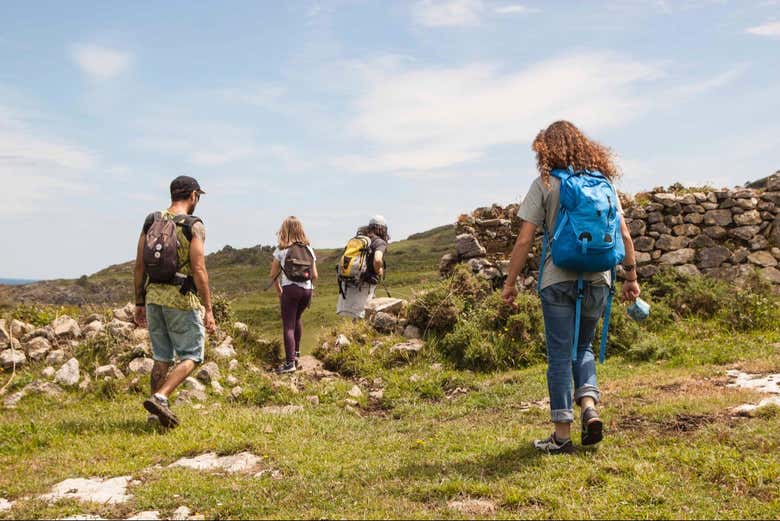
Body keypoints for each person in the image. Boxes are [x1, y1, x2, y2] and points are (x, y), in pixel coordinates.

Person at [502, 121, 641, 454]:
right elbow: (624, 235)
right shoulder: (603, 184)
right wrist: (632, 278)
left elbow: (524, 240)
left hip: (557, 278)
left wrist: (509, 284)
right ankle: (589, 407)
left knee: (560, 357)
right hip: (598, 279)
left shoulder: (546, 183)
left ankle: (561, 435)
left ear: (546, 150)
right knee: (585, 348)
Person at [133, 175, 217, 429]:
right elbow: (199, 268)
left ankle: (154, 415)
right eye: (197, 197)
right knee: (193, 355)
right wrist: (209, 308)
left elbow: (138, 266)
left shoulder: (152, 220)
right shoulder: (194, 225)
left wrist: (139, 302)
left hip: (153, 297)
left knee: (161, 357)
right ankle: (160, 397)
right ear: (193, 196)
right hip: (181, 299)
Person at [269, 217, 318, 374]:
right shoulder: (309, 249)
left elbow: (273, 275)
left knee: (288, 325)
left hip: (290, 290)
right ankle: (296, 354)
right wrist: (311, 289)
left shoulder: (281, 250)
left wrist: (279, 292)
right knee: (297, 319)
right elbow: (315, 275)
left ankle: (289, 363)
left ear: (284, 230)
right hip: (307, 290)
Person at [336, 216, 389, 319]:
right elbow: (378, 259)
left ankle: (354, 332)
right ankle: (361, 333)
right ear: (383, 229)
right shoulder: (379, 242)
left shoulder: (361, 240)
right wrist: (379, 270)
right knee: (364, 315)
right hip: (366, 283)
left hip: (354, 280)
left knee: (358, 315)